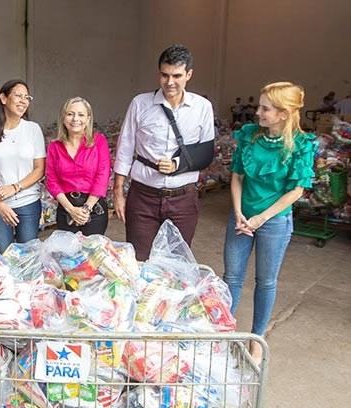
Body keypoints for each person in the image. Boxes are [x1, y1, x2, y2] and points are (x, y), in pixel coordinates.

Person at [223, 81, 315, 364]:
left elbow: (296, 190)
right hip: (241, 218)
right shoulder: (250, 136)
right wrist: (239, 212)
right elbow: (237, 176)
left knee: (265, 281)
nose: (258, 112)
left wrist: (261, 218)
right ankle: (225, 334)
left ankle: (257, 339)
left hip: (273, 222)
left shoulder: (300, 145)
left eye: (266, 108)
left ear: (284, 113)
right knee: (231, 279)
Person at [112, 44, 215, 260]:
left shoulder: (202, 107)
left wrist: (178, 165)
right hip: (143, 197)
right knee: (138, 260)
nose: (170, 82)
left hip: (183, 199)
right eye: (165, 75)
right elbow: (125, 148)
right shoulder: (140, 103)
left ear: (189, 74)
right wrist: (118, 192)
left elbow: (206, 153)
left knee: (176, 263)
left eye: (177, 76)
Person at [0, 80, 46, 252]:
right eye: (18, 96)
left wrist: (15, 187)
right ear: (3, 98)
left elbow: (39, 169)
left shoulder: (33, 129)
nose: (23, 101)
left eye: (27, 97)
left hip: (28, 202)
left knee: (28, 255)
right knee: (4, 254)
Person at [45, 97, 111, 235]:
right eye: (70, 114)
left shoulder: (98, 141)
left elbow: (102, 175)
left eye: (81, 115)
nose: (75, 119)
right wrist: (71, 210)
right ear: (63, 118)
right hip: (66, 209)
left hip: (94, 209)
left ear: (88, 119)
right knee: (68, 255)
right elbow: (51, 181)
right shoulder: (54, 146)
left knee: (92, 254)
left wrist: (86, 209)